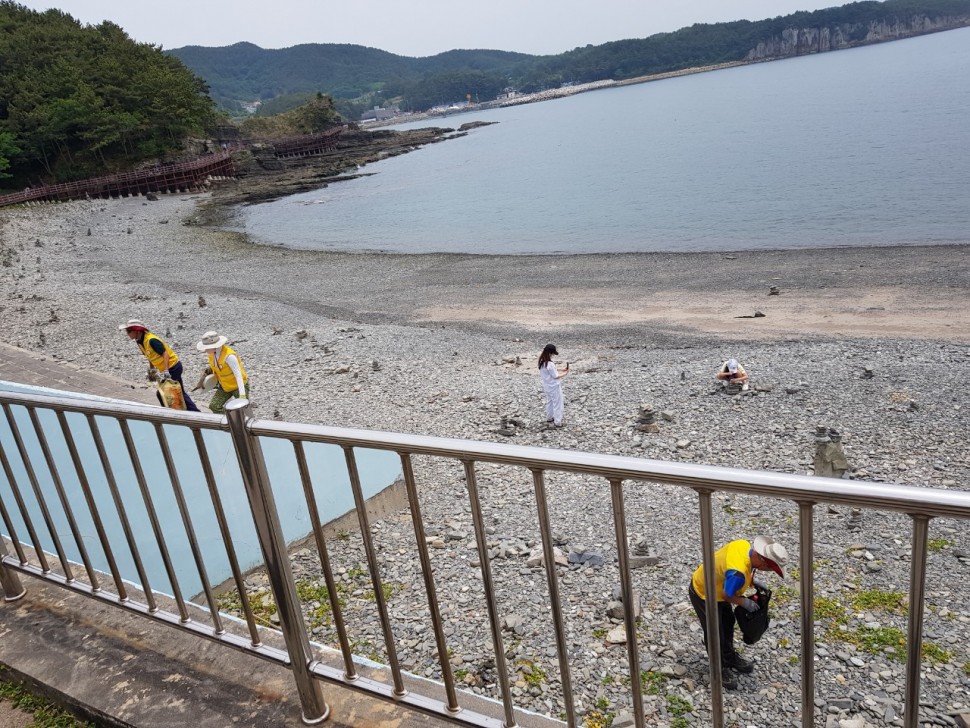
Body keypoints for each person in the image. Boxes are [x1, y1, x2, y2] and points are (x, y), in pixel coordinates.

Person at [687, 535, 787, 690]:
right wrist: (744, 602)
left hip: (717, 584)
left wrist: (752, 581)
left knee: (727, 622)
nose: (768, 571)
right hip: (704, 592)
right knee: (715, 631)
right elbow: (727, 595)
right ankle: (718, 668)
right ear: (762, 561)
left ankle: (729, 657)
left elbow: (740, 567)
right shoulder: (737, 573)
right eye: (769, 569)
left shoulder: (743, 545)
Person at [118, 319, 199, 412]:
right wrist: (152, 370)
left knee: (168, 392)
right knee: (177, 391)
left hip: (173, 367)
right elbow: (149, 356)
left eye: (129, 331)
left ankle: (190, 413)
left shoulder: (152, 340)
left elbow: (165, 354)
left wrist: (166, 370)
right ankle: (188, 412)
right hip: (170, 368)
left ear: (137, 331)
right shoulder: (139, 341)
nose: (127, 334)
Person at [196, 330, 250, 414]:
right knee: (214, 406)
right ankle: (230, 419)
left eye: (206, 347)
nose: (205, 350)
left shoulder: (229, 356)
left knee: (244, 410)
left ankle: (244, 420)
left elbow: (238, 375)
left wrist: (242, 395)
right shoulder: (211, 354)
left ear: (214, 346)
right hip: (224, 386)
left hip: (238, 387)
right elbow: (217, 366)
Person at [538, 343, 569, 427]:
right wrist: (565, 373)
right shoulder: (550, 364)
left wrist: (561, 369)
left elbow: (549, 370)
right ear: (550, 353)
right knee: (557, 403)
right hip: (554, 386)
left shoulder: (541, 361)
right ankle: (558, 422)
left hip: (546, 386)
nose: (553, 355)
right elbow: (555, 376)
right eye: (552, 353)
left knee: (549, 401)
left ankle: (549, 417)